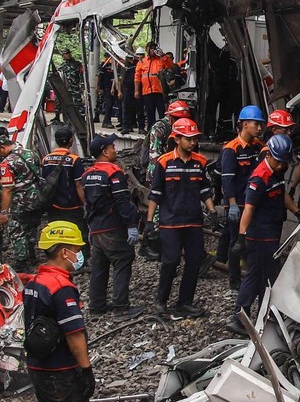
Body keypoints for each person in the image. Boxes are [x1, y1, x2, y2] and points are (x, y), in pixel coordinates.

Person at [23, 221, 101, 402]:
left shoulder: (34, 283)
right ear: (65, 251)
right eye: (78, 250)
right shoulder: (62, 287)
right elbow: (74, 333)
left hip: (38, 368)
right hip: (60, 372)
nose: (80, 254)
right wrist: (85, 369)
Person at [226, 134, 300, 335]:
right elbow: (248, 210)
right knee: (256, 276)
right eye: (278, 161)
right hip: (259, 237)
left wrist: (296, 211)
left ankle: (262, 315)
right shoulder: (259, 178)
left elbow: (282, 193)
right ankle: (239, 317)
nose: (281, 166)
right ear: (269, 155)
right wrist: (241, 238)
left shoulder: (277, 171)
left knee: (265, 278)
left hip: (271, 234)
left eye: (284, 162)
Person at [146, 118, 216, 318]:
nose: (192, 142)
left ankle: (185, 302)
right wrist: (150, 222)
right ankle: (161, 301)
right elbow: (155, 194)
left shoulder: (200, 162)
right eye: (188, 139)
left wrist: (212, 212)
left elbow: (204, 190)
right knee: (171, 261)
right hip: (171, 223)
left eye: (194, 139)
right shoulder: (164, 162)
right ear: (176, 139)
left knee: (194, 261)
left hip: (193, 222)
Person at [81, 134, 142, 318]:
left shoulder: (87, 175)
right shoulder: (113, 173)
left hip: (96, 228)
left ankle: (96, 307)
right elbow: (122, 202)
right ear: (105, 152)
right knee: (123, 261)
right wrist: (131, 224)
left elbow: (87, 202)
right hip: (112, 227)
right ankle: (121, 307)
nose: (115, 149)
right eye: (112, 147)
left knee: (99, 267)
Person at [221, 105, 265, 293]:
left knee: (252, 239)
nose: (260, 128)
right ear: (245, 124)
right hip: (238, 203)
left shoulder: (258, 147)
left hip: (252, 202)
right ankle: (234, 279)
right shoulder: (231, 149)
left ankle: (253, 273)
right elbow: (228, 178)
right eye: (256, 124)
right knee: (235, 242)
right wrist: (232, 204)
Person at [41, 126, 88, 265]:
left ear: (56, 141)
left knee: (56, 231)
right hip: (72, 205)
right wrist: (85, 202)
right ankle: (80, 261)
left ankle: (56, 258)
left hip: (53, 204)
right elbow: (79, 184)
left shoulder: (46, 159)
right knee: (78, 232)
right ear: (71, 141)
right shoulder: (74, 160)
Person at [0, 135, 42, 271]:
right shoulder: (30, 153)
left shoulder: (7, 163)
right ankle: (32, 255)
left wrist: (4, 212)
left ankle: (22, 261)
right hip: (36, 199)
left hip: (20, 202)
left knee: (16, 230)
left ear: (2, 148)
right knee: (31, 228)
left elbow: (7, 189)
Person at [146, 100, 192, 182]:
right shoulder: (159, 127)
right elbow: (155, 155)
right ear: (171, 118)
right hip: (161, 171)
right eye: (178, 119)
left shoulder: (187, 127)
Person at [134, 41, 174, 129]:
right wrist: (136, 91)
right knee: (149, 114)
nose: (152, 51)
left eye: (154, 49)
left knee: (162, 112)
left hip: (160, 92)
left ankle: (164, 130)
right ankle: (150, 131)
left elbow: (170, 66)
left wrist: (163, 55)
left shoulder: (161, 59)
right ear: (146, 49)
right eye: (150, 48)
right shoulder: (142, 61)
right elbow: (137, 77)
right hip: (147, 92)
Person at [118, 54, 140, 134]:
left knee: (138, 107)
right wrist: (119, 91)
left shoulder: (137, 63)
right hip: (126, 87)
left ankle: (138, 126)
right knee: (126, 107)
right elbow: (120, 78)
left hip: (137, 86)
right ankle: (126, 126)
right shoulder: (124, 65)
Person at [59, 49, 85, 116]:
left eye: (69, 53)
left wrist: (82, 85)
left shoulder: (77, 64)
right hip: (66, 88)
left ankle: (81, 117)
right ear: (63, 56)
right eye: (66, 54)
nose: (68, 55)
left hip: (75, 87)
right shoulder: (62, 66)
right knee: (66, 104)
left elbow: (82, 75)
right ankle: (68, 118)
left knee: (78, 103)